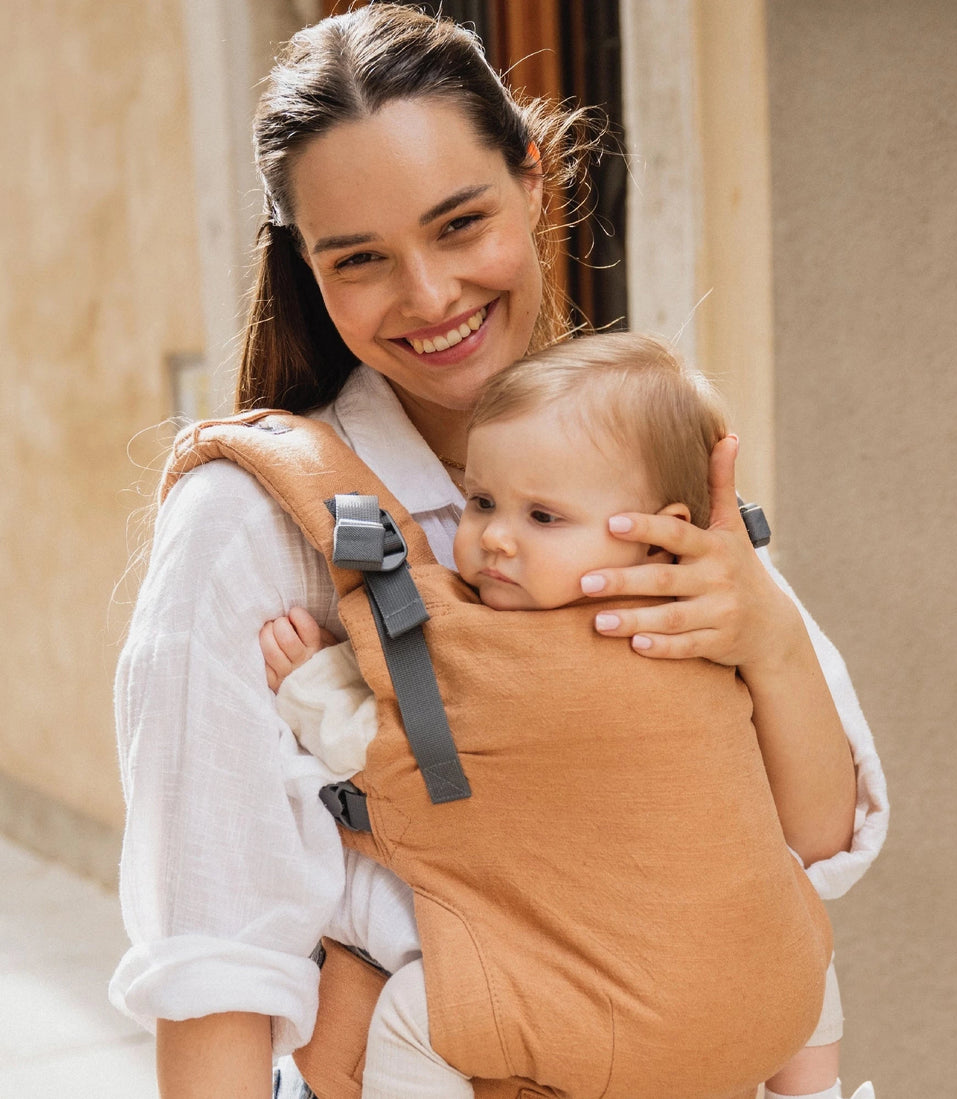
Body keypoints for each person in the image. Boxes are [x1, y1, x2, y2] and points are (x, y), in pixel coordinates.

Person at [108, 5, 887, 1097]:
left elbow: (816, 847)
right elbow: (214, 957)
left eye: (459, 223)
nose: (428, 297)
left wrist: (766, 632)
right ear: (304, 264)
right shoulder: (252, 526)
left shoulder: (629, 468)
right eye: (361, 258)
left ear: (531, 180)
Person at [259, 332, 875, 1099]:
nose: (494, 539)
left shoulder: (510, 652)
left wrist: (318, 684)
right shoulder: (713, 629)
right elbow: (816, 844)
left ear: (660, 533)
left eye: (544, 516)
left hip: (596, 1025)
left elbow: (403, 762)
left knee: (413, 1017)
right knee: (797, 937)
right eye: (481, 501)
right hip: (758, 1004)